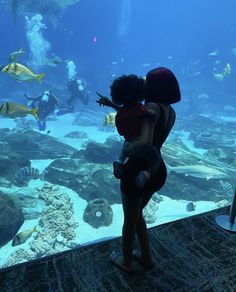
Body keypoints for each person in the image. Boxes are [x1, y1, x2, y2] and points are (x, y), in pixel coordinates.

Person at [98, 67, 181, 273]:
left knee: (129, 220)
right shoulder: (170, 111)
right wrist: (113, 105)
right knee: (137, 216)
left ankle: (126, 262)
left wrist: (127, 148)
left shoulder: (151, 107)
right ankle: (146, 257)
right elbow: (137, 115)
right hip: (157, 169)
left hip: (137, 168)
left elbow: (143, 139)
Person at [97, 75, 162, 189]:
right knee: (156, 159)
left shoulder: (123, 111)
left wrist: (110, 103)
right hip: (140, 144)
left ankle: (118, 163)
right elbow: (150, 114)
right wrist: (151, 114)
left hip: (128, 143)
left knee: (123, 153)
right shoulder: (140, 109)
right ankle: (146, 174)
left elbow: (125, 112)